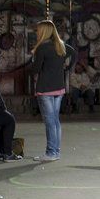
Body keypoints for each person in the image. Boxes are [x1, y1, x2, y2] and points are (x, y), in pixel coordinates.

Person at [29, 20, 74, 162]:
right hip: (59, 88)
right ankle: (56, 151)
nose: (36, 32)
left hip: (45, 89)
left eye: (38, 30)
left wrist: (31, 63)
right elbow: (74, 52)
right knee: (55, 121)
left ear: (43, 32)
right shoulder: (60, 46)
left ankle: (51, 153)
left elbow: (35, 70)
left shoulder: (42, 48)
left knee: (49, 122)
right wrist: (68, 68)